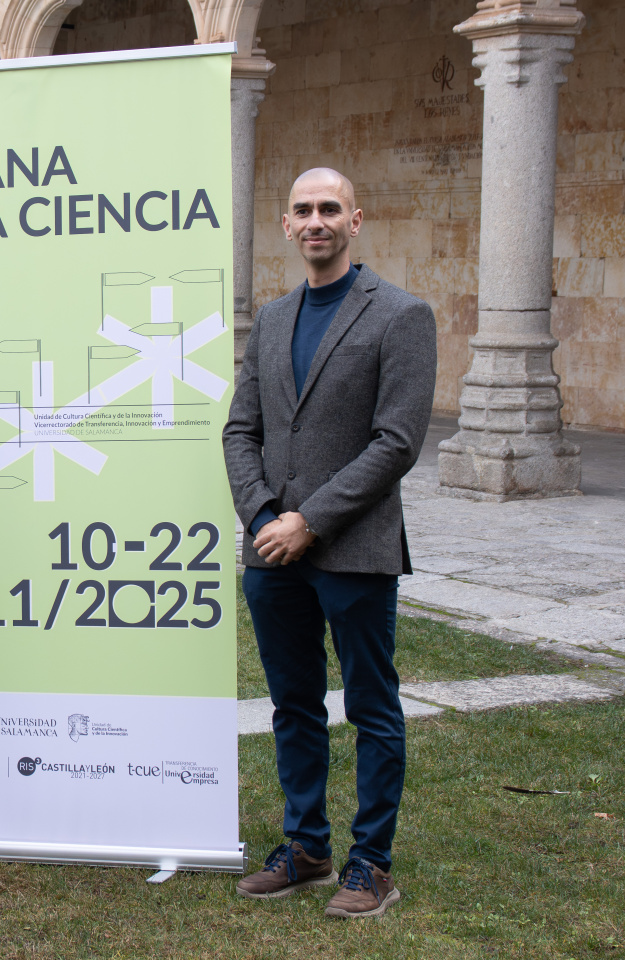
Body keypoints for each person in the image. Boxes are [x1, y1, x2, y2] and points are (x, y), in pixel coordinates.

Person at [222, 168, 436, 919]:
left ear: (356, 221)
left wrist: (308, 520)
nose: (316, 221)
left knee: (371, 705)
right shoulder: (273, 319)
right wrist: (261, 518)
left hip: (352, 549)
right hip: (271, 553)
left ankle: (371, 863)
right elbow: (240, 429)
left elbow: (397, 442)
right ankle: (306, 846)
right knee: (293, 705)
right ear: (286, 225)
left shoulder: (402, 316)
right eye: (303, 210)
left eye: (330, 209)